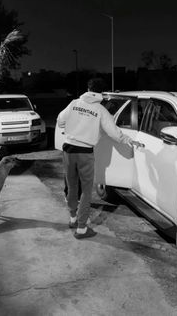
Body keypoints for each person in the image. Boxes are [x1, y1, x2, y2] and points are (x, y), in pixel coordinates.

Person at [57, 78, 142, 239]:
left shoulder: (74, 103)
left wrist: (70, 127)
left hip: (68, 150)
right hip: (85, 152)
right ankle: (82, 228)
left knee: (72, 185)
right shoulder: (100, 110)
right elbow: (114, 132)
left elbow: (60, 120)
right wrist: (129, 140)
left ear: (88, 89)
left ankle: (73, 218)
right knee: (86, 191)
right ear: (101, 93)